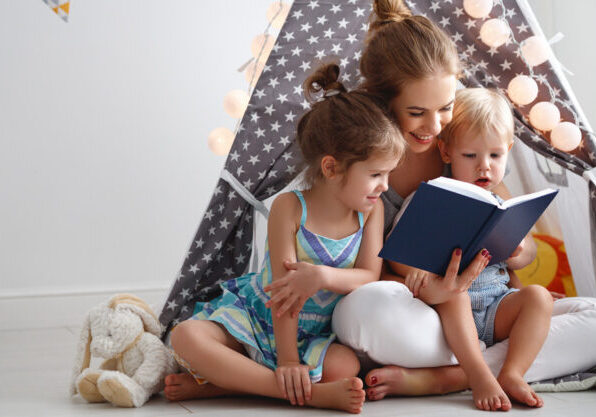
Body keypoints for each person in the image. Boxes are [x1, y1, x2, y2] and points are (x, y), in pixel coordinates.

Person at [331, 0, 596, 406]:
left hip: (485, 307)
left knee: (589, 318)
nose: (436, 127)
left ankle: (447, 378)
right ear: (384, 103)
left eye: (445, 108)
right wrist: (430, 289)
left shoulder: (464, 144)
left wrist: (519, 282)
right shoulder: (364, 158)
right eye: (417, 112)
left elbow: (504, 228)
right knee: (368, 312)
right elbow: (364, 272)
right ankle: (471, 369)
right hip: (419, 313)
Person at [163, 63, 406, 414]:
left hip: (319, 334)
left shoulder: (370, 211)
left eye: (388, 174)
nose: (385, 185)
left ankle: (226, 386)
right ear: (331, 168)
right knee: (186, 337)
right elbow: (282, 296)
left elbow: (369, 275)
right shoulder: (290, 208)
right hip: (263, 317)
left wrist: (322, 276)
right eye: (376, 174)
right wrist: (288, 362)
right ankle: (303, 392)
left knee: (345, 367)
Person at [393, 88, 553, 410]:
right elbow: (398, 252)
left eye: (495, 156)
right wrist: (418, 271)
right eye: (471, 156)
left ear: (508, 151)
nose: (484, 167)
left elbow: (528, 256)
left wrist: (518, 252)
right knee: (457, 292)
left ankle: (512, 373)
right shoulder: (430, 197)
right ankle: (478, 373)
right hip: (450, 308)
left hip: (497, 306)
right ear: (447, 152)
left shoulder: (502, 200)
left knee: (539, 297)